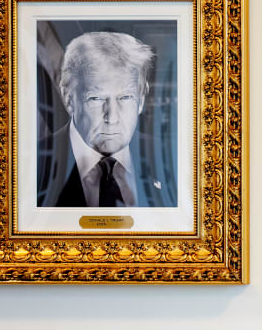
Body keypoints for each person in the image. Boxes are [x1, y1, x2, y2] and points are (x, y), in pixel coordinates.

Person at [37, 31, 175, 208]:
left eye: (125, 97)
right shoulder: (30, 165)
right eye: (96, 98)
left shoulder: (177, 164)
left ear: (141, 100)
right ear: (69, 100)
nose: (112, 117)